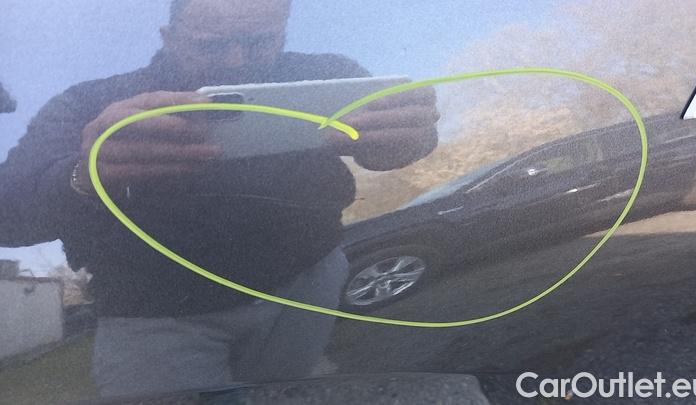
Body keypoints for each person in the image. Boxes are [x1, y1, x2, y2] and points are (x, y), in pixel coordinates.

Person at [0, 0, 438, 397]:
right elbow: (8, 215)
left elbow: (400, 141)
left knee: (288, 390)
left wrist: (404, 142)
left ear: (283, 30)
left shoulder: (329, 75)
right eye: (210, 45)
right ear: (169, 37)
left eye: (261, 42)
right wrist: (83, 175)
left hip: (308, 282)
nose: (236, 61)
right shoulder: (87, 102)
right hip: (155, 318)